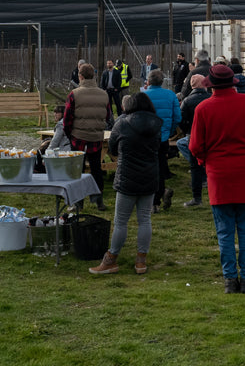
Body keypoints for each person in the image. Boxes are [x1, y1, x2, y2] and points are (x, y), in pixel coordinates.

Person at [190, 64, 245, 294]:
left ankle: (229, 279)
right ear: (233, 83)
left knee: (224, 231)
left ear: (211, 84)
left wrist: (205, 161)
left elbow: (195, 146)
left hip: (219, 175)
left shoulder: (203, 109)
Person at [89, 92, 162, 275]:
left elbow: (112, 147)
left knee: (121, 222)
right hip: (150, 175)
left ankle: (111, 259)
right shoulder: (156, 124)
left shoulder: (122, 123)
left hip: (127, 176)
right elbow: (158, 147)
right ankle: (141, 261)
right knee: (145, 219)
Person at [64, 63, 113, 205]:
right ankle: (98, 199)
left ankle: (78, 201)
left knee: (77, 170)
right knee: (96, 168)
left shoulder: (74, 94)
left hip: (78, 137)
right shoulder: (104, 94)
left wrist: (70, 134)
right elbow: (108, 115)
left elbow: (67, 119)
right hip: (96, 136)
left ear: (80, 76)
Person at [144, 70, 181, 211]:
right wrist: (169, 131)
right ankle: (160, 194)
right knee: (160, 166)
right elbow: (177, 117)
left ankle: (154, 200)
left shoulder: (143, 95)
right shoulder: (170, 95)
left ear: (148, 81)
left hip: (146, 137)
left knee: (148, 168)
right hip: (163, 137)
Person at [177, 74, 211, 206]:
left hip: (193, 135)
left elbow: (181, 120)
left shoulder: (187, 101)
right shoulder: (210, 98)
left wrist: (188, 130)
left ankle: (197, 198)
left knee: (194, 166)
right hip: (210, 135)